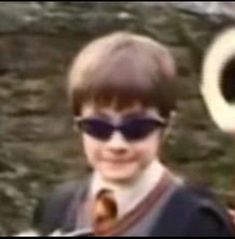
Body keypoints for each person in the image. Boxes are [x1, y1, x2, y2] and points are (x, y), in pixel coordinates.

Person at [31, 31, 235, 236]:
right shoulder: (57, 207)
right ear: (77, 124)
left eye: (137, 128)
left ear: (167, 125)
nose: (116, 144)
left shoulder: (200, 221)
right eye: (97, 127)